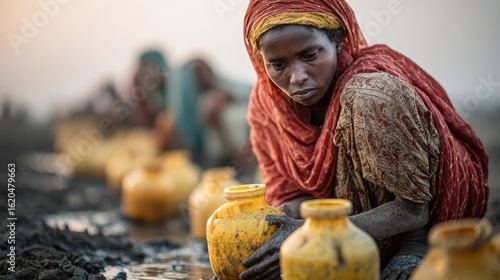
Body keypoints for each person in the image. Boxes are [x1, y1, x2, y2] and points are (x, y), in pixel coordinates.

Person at [240, 0, 489, 279]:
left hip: (420, 216)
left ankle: (412, 246)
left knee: (370, 96)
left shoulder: (370, 89)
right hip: (344, 218)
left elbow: (414, 208)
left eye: (310, 55)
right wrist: (288, 225)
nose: (297, 78)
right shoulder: (267, 104)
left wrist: (305, 230)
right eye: (278, 64)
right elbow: (287, 191)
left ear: (338, 42)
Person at [167, 58, 251, 168]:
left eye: (204, 70)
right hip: (213, 159)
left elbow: (251, 93)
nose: (203, 76)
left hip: (240, 153)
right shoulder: (187, 109)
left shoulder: (225, 89)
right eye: (197, 73)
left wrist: (227, 95)